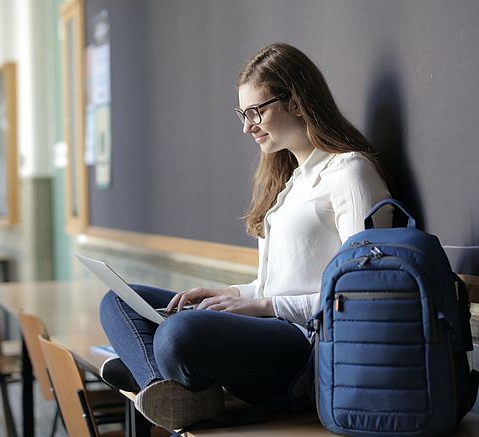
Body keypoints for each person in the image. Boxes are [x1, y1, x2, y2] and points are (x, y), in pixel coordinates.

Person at [99, 42, 392, 430]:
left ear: (297, 102)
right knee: (117, 300)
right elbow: (277, 284)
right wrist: (231, 294)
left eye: (255, 111)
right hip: (271, 326)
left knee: (179, 332)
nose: (246, 126)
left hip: (310, 346)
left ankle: (161, 373)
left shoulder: (349, 174)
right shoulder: (291, 182)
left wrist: (264, 307)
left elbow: (364, 295)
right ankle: (170, 388)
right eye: (243, 113)